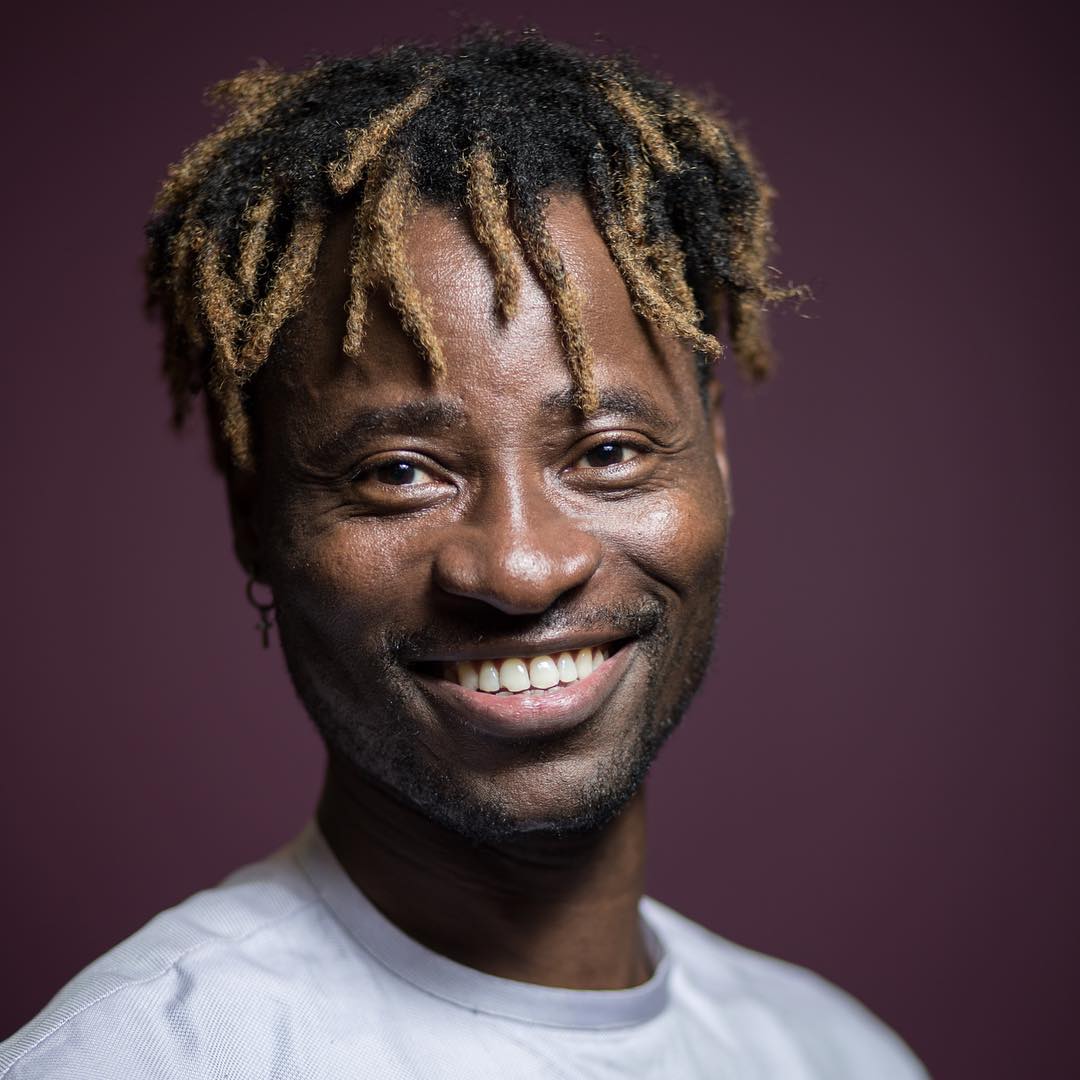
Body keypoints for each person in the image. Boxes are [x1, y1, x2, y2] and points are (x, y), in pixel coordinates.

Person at [0, 32, 927, 1079]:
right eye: (400, 472)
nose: (521, 568)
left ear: (714, 454)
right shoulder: (143, 1058)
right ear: (253, 513)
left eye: (607, 452)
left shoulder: (837, 1054)